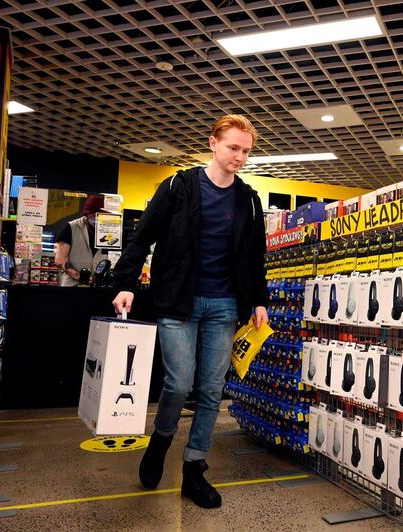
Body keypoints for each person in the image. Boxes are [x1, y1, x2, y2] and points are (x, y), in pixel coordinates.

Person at [111, 114, 269, 509]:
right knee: (179, 383)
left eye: (246, 151)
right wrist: (126, 282)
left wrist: (259, 300)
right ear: (213, 143)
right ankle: (161, 441)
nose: (239, 157)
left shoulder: (248, 199)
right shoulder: (179, 186)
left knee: (212, 389)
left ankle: (194, 467)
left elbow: (254, 256)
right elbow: (143, 235)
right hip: (178, 301)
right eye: (233, 147)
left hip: (225, 305)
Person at [54, 195, 108, 287]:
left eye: (100, 215)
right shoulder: (72, 227)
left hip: (99, 286)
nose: (96, 218)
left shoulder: (108, 229)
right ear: (87, 213)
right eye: (93, 215)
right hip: (73, 285)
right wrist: (79, 277)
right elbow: (59, 261)